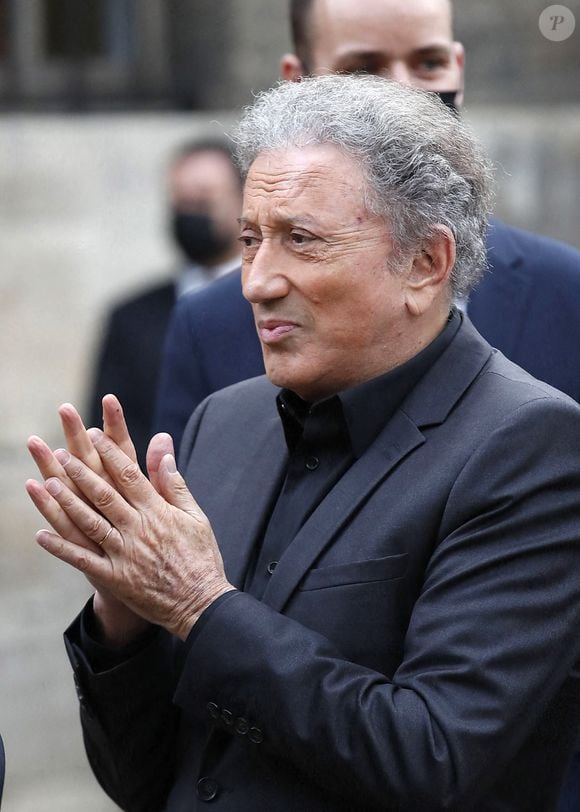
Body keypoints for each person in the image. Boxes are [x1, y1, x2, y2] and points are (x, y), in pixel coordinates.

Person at [27, 75, 580, 811]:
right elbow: (148, 782)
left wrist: (198, 604)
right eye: (251, 239)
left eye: (302, 240)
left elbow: (436, 759)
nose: (255, 281)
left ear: (425, 263)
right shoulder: (223, 422)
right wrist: (124, 621)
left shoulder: (529, 444)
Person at [153, 0, 580, 453]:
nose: (404, 91)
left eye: (428, 63)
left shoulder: (566, 292)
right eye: (363, 69)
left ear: (428, 261)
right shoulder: (210, 328)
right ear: (297, 82)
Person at [88, 138, 242, 467]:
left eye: (202, 200)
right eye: (180, 201)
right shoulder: (131, 318)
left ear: (242, 203)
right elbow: (104, 429)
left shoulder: (270, 304)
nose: (190, 214)